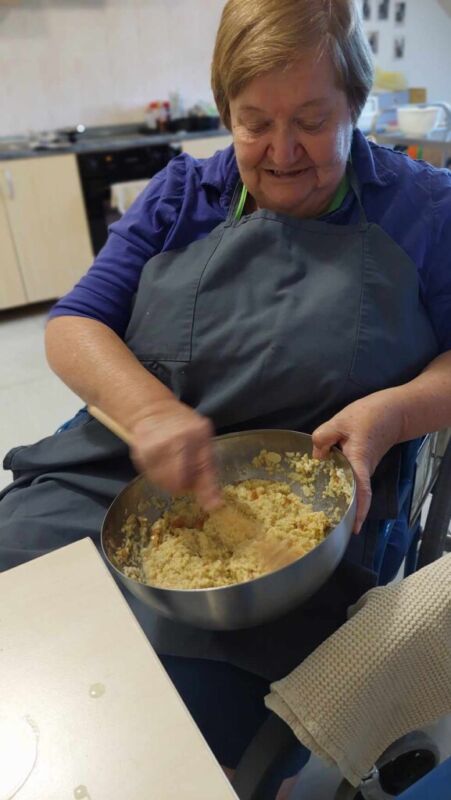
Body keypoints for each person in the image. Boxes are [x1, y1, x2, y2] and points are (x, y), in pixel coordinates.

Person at [1, 0, 451, 795]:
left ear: (355, 104)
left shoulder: (424, 210)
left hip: (301, 528)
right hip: (117, 478)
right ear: (225, 111)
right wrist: (148, 412)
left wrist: (392, 414)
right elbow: (75, 322)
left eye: (311, 120)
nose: (281, 152)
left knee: (171, 744)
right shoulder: (183, 195)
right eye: (254, 123)